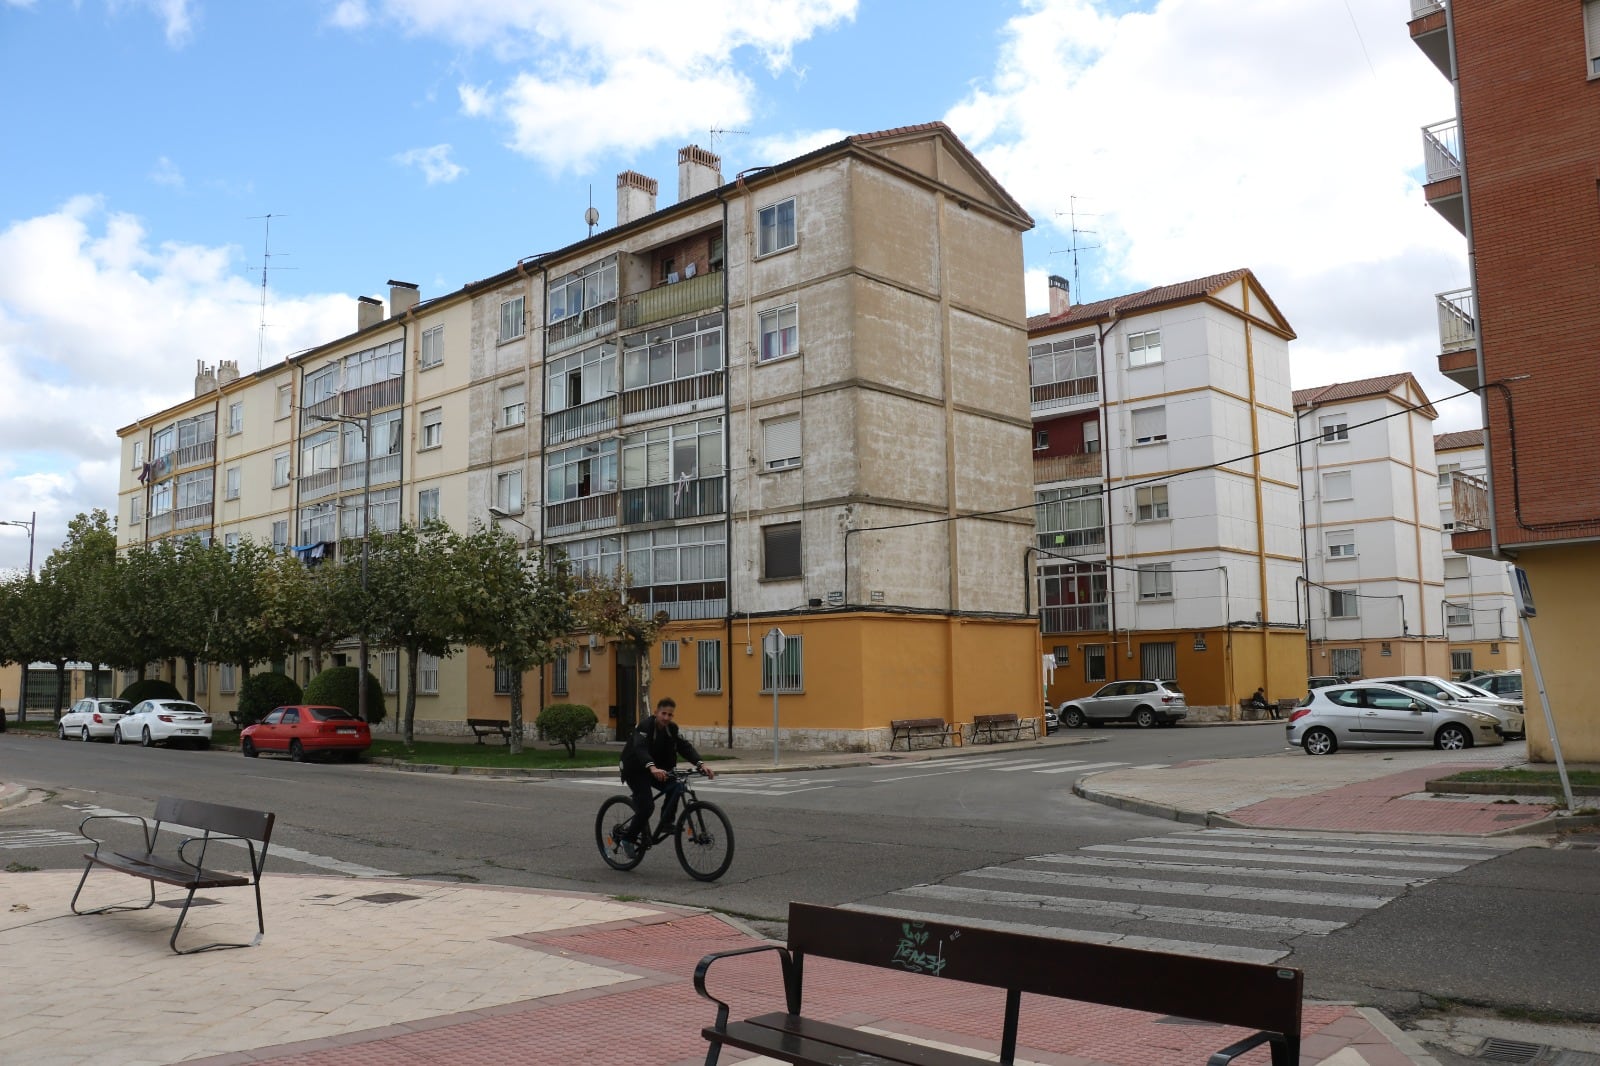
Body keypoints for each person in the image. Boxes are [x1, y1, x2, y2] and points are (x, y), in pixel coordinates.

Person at [619, 697, 714, 849]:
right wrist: (652, 767)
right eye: (663, 713)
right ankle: (627, 839)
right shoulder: (645, 726)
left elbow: (684, 747)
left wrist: (701, 764)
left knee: (677, 786)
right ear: (656, 712)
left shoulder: (672, 729)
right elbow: (640, 748)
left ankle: (667, 822)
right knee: (647, 806)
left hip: (655, 769)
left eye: (670, 715)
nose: (666, 718)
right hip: (634, 768)